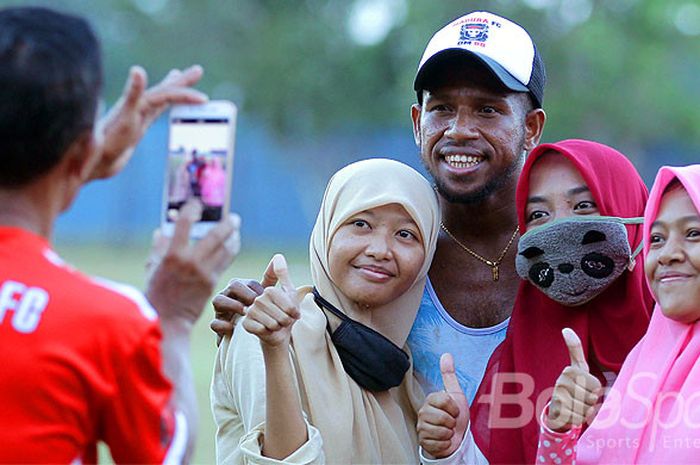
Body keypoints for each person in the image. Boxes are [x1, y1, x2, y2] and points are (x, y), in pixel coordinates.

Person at [211, 9, 547, 407]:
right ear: (417, 121)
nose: (459, 129)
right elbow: (320, 332)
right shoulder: (390, 256)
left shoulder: (566, 252)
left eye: (488, 110)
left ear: (531, 128)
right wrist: (257, 313)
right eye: (441, 108)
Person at [0, 7, 239, 464]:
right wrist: (171, 317)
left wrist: (79, 162)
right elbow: (167, 454)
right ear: (83, 150)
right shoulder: (108, 323)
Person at [417, 140, 654, 464]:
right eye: (539, 214)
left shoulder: (683, 346)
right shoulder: (516, 360)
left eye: (583, 206)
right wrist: (451, 451)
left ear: (630, 208)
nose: (558, 227)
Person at [210, 158, 439, 463]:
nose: (380, 250)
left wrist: (443, 452)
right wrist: (276, 349)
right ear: (328, 229)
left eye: (406, 234)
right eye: (361, 224)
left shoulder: (407, 372)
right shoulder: (262, 328)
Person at [534, 164, 700, 464]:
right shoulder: (647, 359)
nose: (666, 254)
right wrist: (559, 431)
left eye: (693, 233)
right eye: (657, 238)